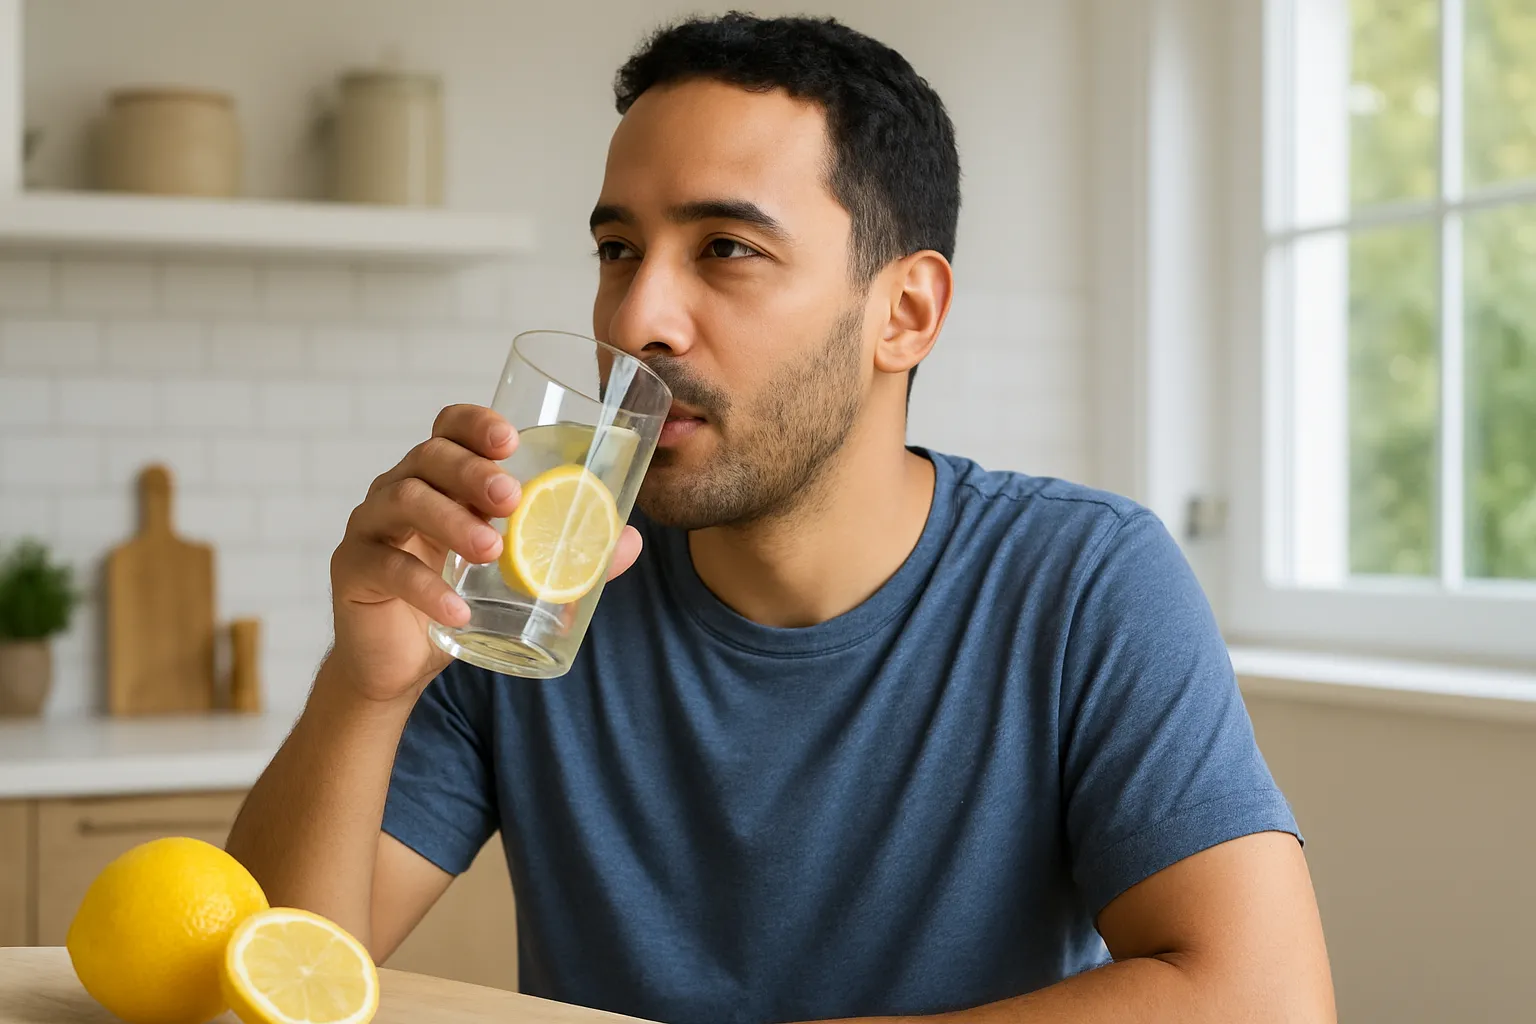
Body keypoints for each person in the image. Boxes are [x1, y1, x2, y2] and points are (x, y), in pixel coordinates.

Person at [226, 13, 1334, 1024]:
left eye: (726, 249)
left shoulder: (1084, 579)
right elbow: (277, 976)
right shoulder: (538, 583)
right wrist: (365, 686)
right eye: (619, 251)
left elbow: (1266, 1000)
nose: (639, 317)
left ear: (905, 313)